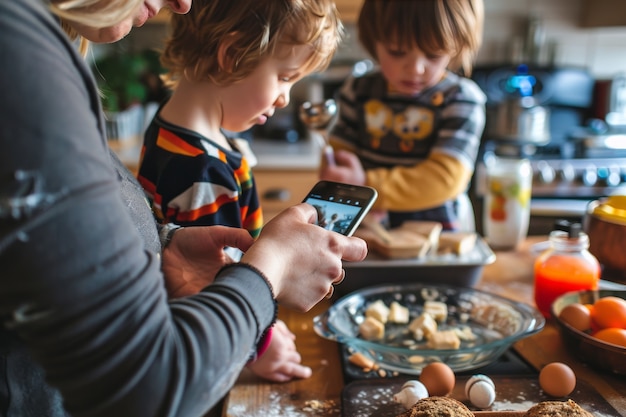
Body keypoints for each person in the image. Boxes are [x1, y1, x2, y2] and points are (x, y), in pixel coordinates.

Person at [0, 1, 367, 417]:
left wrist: (163, 246)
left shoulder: (53, 68)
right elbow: (151, 382)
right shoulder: (20, 63)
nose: (182, 4)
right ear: (231, 55)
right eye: (283, 78)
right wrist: (270, 283)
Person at [136, 0, 343, 382]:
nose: (286, 98)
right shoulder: (202, 171)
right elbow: (202, 285)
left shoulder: (178, 130)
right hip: (214, 359)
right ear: (232, 55)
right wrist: (258, 348)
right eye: (284, 76)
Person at [320, 0, 486, 231]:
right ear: (373, 41)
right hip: (366, 231)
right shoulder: (357, 91)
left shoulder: (460, 99)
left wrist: (365, 185)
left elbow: (445, 179)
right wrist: (337, 176)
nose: (416, 68)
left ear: (457, 46)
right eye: (397, 52)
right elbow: (341, 161)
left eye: (433, 55)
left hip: (437, 240)